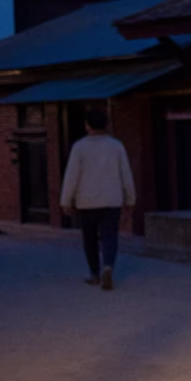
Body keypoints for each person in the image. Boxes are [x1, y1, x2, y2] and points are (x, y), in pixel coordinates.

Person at [60, 107, 136, 291]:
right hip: (112, 200)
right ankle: (108, 266)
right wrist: (130, 199)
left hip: (87, 202)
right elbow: (126, 174)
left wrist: (66, 200)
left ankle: (94, 273)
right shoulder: (117, 146)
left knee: (90, 239)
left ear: (87, 126)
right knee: (110, 236)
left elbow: (72, 176)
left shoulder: (79, 147)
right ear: (107, 125)